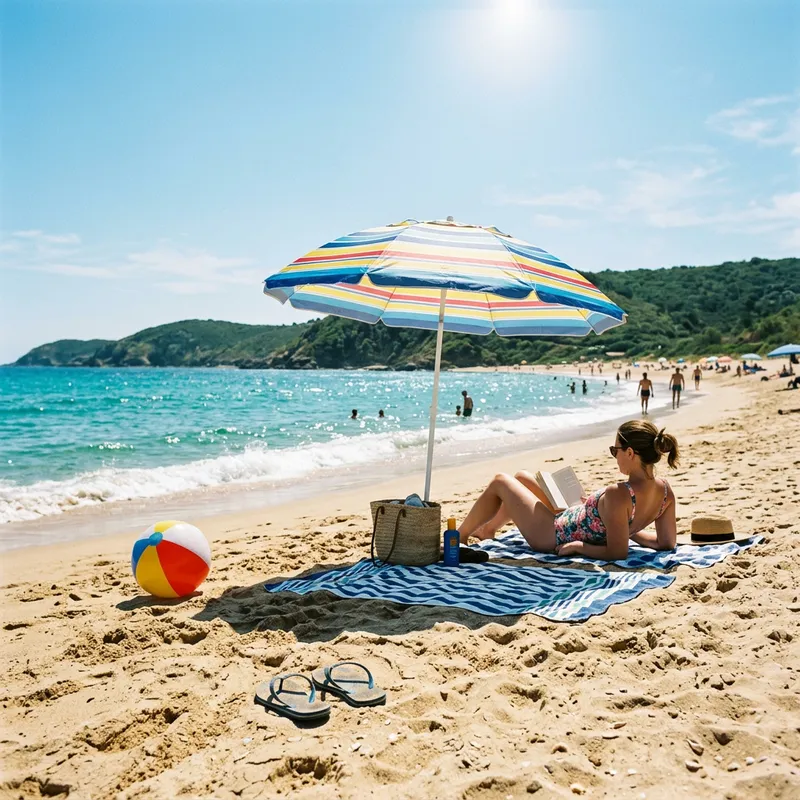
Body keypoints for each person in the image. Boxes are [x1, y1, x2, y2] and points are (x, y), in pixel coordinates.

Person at [458, 420, 678, 559]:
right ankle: (488, 530)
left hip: (551, 534)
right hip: (571, 518)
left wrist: (579, 547)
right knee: (522, 478)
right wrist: (616, 524)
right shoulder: (666, 492)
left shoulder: (619, 493)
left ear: (630, 453)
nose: (614, 456)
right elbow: (665, 543)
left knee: (501, 481)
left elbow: (617, 552)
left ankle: (459, 537)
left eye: (615, 450)